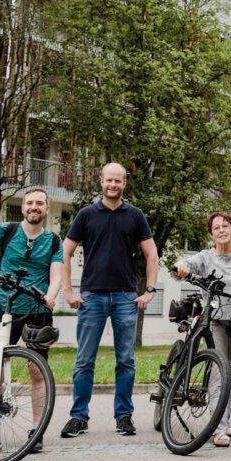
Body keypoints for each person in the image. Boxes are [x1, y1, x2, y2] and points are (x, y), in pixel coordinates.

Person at [60, 162, 159, 439]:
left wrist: (150, 290)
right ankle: (78, 417)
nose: (113, 185)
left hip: (126, 297)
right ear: (100, 181)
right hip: (92, 295)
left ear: (124, 183)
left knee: (125, 360)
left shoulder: (136, 215)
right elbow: (64, 253)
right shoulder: (86, 215)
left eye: (118, 181)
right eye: (109, 180)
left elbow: (152, 254)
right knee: (84, 361)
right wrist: (68, 292)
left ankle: (124, 416)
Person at [0, 186, 63, 454]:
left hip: (37, 310)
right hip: (6, 308)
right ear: (23, 207)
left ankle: (36, 431)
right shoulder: (5, 230)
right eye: (29, 203)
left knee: (38, 371)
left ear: (47, 209)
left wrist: (51, 295)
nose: (34, 207)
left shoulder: (54, 241)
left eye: (39, 203)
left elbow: (57, 273)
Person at [173, 211, 231, 447]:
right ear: (211, 234)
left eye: (225, 226)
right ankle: (218, 428)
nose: (222, 230)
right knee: (218, 371)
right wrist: (180, 267)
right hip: (213, 319)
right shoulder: (205, 256)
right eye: (216, 227)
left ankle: (224, 421)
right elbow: (186, 265)